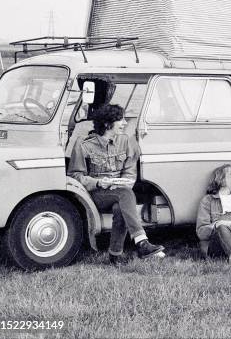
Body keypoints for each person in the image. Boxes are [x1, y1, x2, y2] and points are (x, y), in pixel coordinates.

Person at [68, 104, 165, 264]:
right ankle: (142, 243)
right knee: (125, 195)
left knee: (121, 206)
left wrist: (123, 182)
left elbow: (130, 172)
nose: (125, 123)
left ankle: (115, 255)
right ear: (107, 124)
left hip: (120, 192)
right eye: (121, 119)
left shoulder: (125, 141)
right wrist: (99, 183)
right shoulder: (84, 144)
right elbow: (75, 176)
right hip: (96, 194)